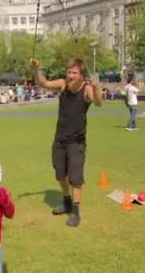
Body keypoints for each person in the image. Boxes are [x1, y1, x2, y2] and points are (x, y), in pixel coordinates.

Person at [30, 58, 103, 227]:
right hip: (60, 139)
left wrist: (96, 86)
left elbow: (99, 103)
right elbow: (43, 82)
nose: (70, 75)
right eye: (69, 72)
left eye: (74, 72)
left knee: (75, 178)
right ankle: (67, 202)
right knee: (60, 173)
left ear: (81, 75)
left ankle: (75, 213)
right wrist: (36, 69)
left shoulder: (86, 89)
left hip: (76, 142)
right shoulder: (62, 84)